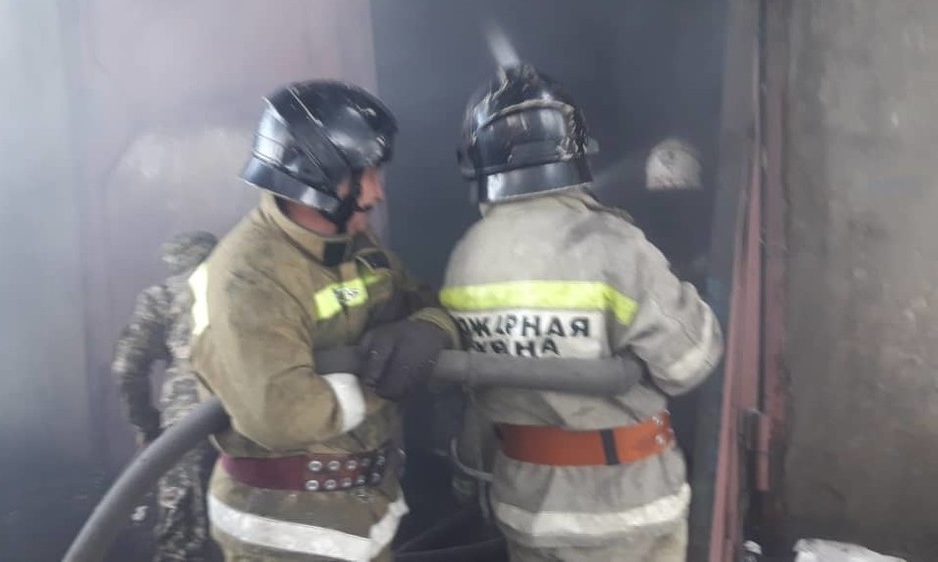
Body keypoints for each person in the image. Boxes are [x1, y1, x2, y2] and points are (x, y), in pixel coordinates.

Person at [441, 62, 724, 562]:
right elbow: (689, 364)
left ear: (477, 159)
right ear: (578, 151)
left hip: (526, 509)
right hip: (626, 512)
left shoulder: (465, 258)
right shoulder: (613, 245)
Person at [188, 80, 459, 562]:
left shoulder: (357, 248)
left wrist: (430, 329)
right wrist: (388, 376)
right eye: (364, 174)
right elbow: (284, 414)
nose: (376, 192)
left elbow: (425, 302)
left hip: (361, 511)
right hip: (285, 531)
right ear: (316, 175)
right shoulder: (248, 274)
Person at [112, 230, 219, 562]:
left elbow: (126, 367)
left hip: (183, 430)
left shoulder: (162, 296)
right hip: (251, 420)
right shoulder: (247, 288)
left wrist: (145, 425)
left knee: (182, 539)